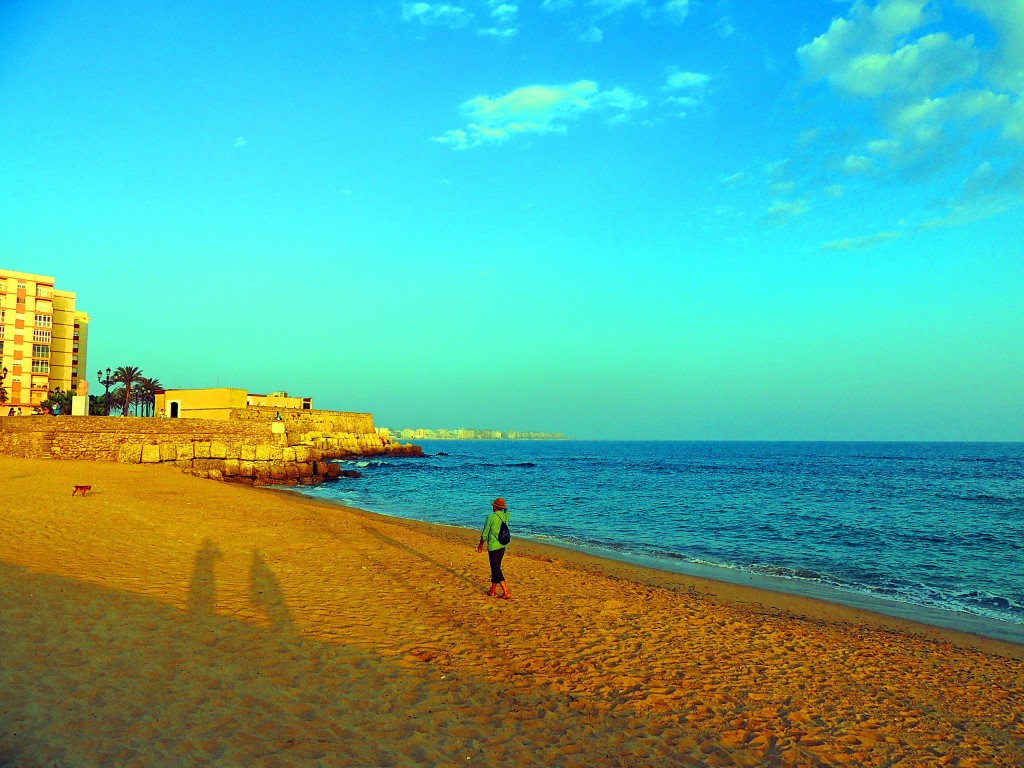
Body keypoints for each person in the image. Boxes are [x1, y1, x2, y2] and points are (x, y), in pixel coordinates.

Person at [477, 497, 511, 599]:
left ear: (495, 507)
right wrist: (504, 508)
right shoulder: (506, 516)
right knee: (496, 568)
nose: (492, 506)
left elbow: (485, 534)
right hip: (502, 545)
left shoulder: (491, 517)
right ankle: (492, 590)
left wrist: (480, 545)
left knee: (496, 568)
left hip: (493, 546)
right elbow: (508, 512)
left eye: (493, 505)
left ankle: (506, 591)